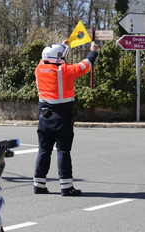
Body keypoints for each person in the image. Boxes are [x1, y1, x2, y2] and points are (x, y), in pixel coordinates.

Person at [33, 40, 99, 196]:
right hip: (61, 118)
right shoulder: (64, 70)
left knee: (44, 150)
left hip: (44, 117)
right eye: (62, 55)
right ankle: (66, 186)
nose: (64, 58)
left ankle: (39, 184)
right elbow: (85, 65)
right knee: (63, 151)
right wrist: (93, 51)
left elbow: (48, 58)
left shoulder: (39, 68)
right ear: (57, 57)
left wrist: (59, 47)